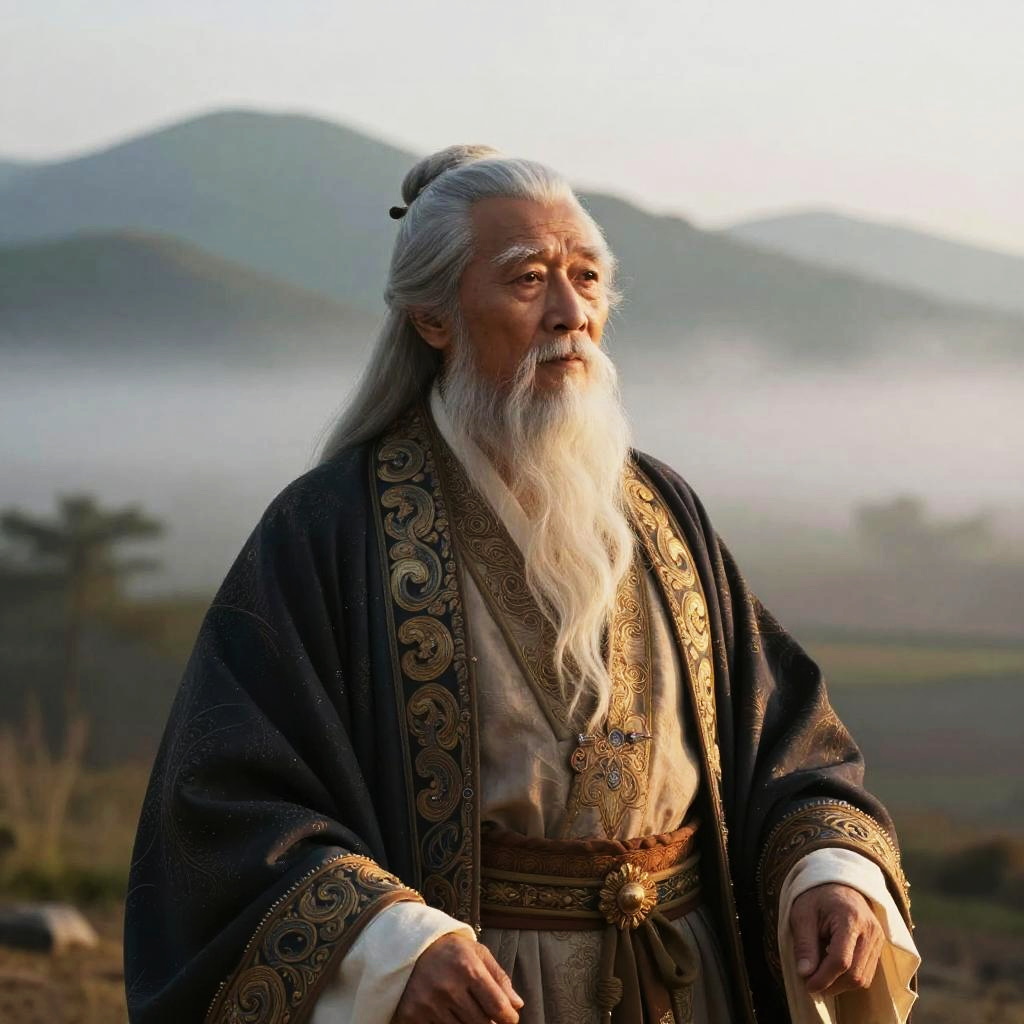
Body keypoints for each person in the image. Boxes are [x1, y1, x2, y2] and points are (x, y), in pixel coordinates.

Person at [124, 146, 919, 1024]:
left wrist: (829, 870)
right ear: (433, 317)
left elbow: (784, 738)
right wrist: (388, 942)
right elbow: (224, 797)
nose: (570, 313)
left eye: (587, 277)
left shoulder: (665, 511)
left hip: (693, 982)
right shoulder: (330, 531)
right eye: (527, 279)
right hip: (481, 995)